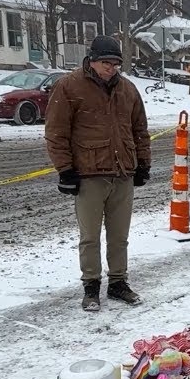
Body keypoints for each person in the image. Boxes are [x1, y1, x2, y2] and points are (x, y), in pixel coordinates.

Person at [46, 35, 151, 312]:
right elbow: (56, 133)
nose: (112, 68)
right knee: (89, 236)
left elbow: (140, 131)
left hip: (122, 174)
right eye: (107, 62)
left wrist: (142, 165)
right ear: (92, 61)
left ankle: (118, 283)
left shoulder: (128, 90)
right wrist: (65, 170)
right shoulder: (69, 87)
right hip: (88, 175)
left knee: (119, 236)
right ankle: (91, 286)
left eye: (116, 63)